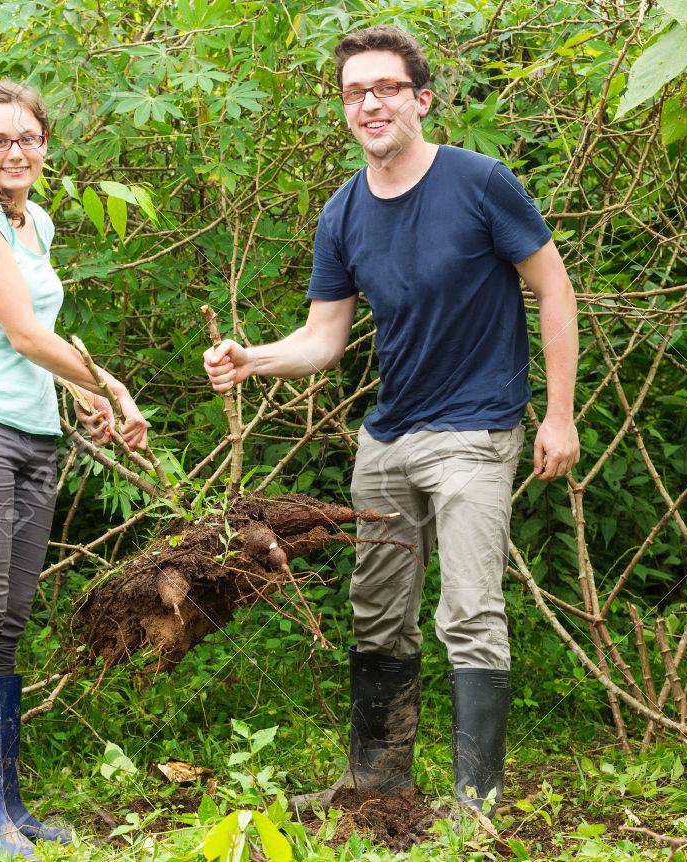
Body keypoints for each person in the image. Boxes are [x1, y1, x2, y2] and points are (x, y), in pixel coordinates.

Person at [203, 26, 579, 815]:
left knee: (470, 611)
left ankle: (475, 804)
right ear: (344, 109)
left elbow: (555, 287)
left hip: (475, 432)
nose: (369, 103)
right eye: (354, 92)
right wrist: (251, 360)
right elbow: (322, 338)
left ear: (421, 99)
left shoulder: (480, 183)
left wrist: (560, 415)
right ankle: (378, 783)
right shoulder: (342, 213)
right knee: (377, 613)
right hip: (386, 440)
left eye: (385, 88)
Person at [0, 80, 148, 857]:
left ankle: (7, 807)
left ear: (47, 143)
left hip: (30, 434)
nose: (15, 152)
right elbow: (18, 332)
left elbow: (37, 333)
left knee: (9, 618)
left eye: (29, 138)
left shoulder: (36, 221)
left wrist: (73, 392)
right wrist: (106, 385)